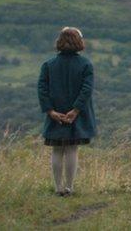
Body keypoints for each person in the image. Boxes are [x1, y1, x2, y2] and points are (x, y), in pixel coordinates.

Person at [37, 27, 96, 197]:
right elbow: (86, 89)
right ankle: (69, 188)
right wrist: (76, 110)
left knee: (57, 149)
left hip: (55, 112)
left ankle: (58, 188)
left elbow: (42, 89)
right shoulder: (85, 64)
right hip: (76, 114)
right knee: (72, 149)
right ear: (79, 42)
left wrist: (50, 111)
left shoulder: (48, 65)